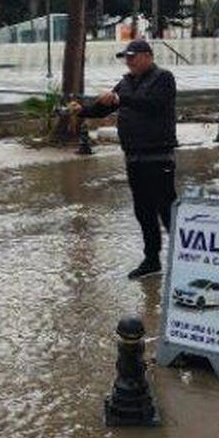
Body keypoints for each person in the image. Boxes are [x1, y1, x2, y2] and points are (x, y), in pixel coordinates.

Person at [72, 39, 179, 280]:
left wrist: (121, 99)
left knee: (167, 211)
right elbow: (104, 108)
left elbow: (154, 105)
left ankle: (184, 255)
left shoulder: (163, 78)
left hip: (158, 157)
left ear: (147, 56)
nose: (129, 62)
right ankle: (152, 260)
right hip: (134, 157)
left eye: (132, 57)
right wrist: (81, 110)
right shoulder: (126, 82)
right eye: (126, 58)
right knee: (144, 211)